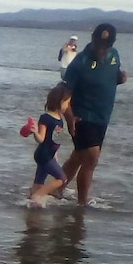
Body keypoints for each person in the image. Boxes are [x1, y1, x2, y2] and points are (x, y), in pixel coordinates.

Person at [60, 23, 127, 206]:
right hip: (83, 116)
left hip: (103, 116)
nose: (101, 49)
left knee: (79, 157)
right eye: (99, 44)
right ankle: (82, 204)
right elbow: (65, 96)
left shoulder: (114, 55)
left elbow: (112, 75)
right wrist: (70, 118)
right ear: (93, 39)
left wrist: (120, 78)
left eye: (105, 45)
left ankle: (56, 189)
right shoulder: (80, 62)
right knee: (92, 158)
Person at [26, 83, 69, 200]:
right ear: (59, 102)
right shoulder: (46, 118)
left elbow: (55, 139)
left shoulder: (60, 120)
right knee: (62, 178)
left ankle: (32, 199)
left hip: (49, 155)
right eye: (67, 102)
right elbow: (41, 139)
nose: (67, 106)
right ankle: (38, 196)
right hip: (43, 155)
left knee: (39, 182)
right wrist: (35, 132)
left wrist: (55, 154)